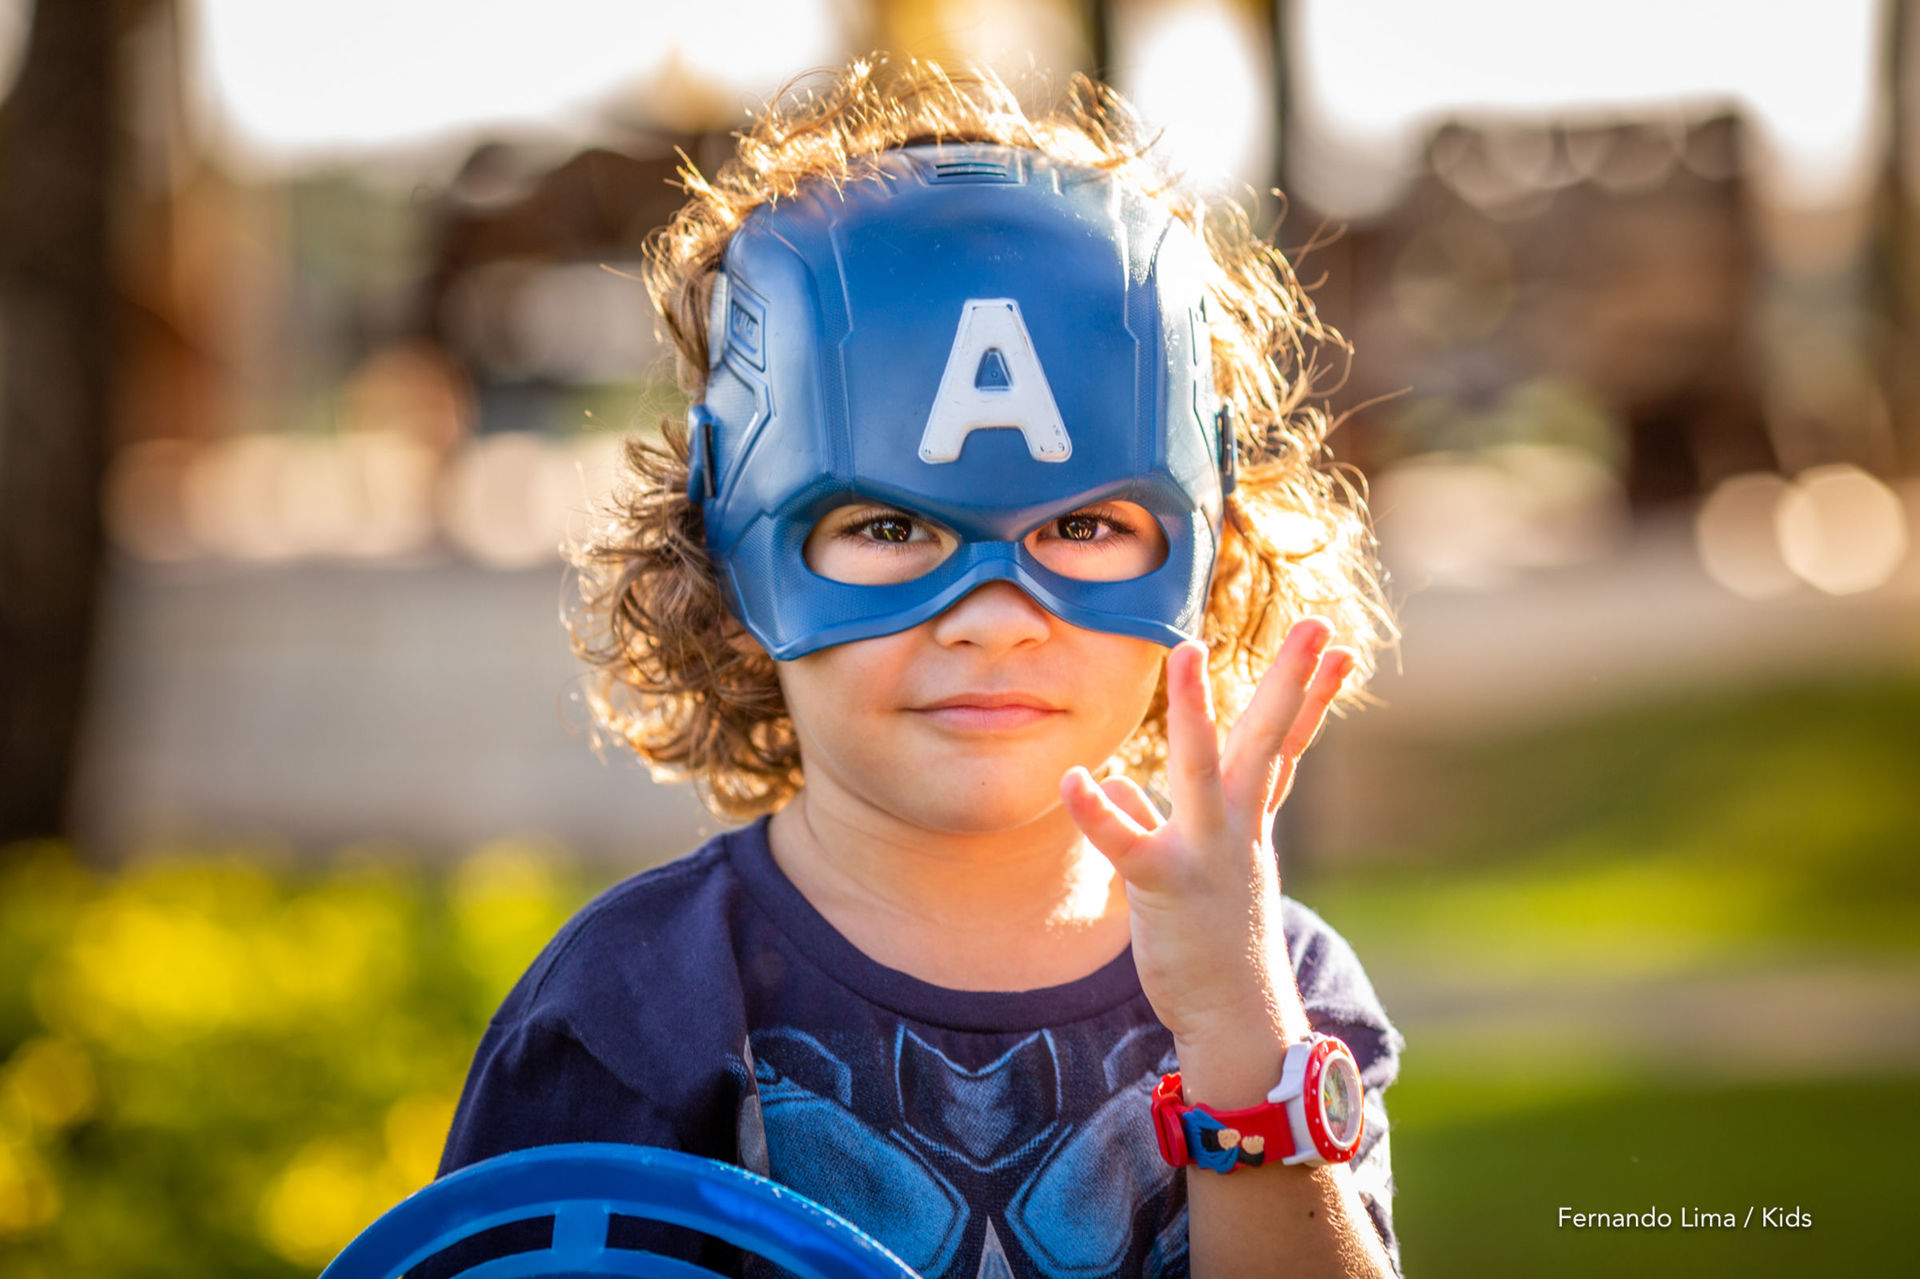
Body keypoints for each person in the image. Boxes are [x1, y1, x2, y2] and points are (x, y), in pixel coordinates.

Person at [438, 56, 1406, 1279]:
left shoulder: (1285, 983)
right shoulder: (635, 1011)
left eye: (1084, 526)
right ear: (732, 545)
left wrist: (1239, 1037)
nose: (995, 620)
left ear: (1206, 552)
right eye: (894, 530)